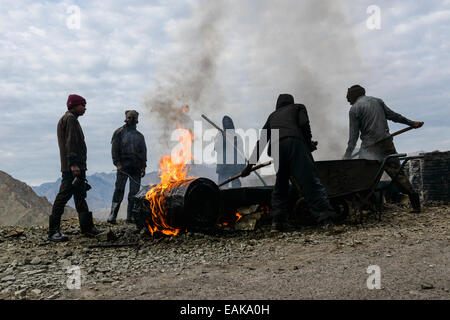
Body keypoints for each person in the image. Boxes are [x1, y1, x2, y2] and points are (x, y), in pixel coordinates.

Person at [241, 94, 337, 232]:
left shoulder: (272, 116)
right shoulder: (298, 107)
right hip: (295, 144)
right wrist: (308, 144)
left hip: (276, 148)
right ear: (291, 102)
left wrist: (249, 167)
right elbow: (304, 125)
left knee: (281, 185)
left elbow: (261, 141)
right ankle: (327, 220)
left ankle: (277, 223)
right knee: (309, 182)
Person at [343, 85, 424, 212]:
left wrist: (347, 155)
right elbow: (394, 116)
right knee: (397, 173)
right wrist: (411, 123)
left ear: (354, 95)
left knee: (362, 176)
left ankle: (367, 206)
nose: (347, 99)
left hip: (370, 148)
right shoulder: (377, 101)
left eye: (348, 96)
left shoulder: (354, 109)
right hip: (386, 143)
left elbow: (353, 137)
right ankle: (415, 203)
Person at [48, 94, 102, 242]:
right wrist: (73, 164)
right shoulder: (70, 119)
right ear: (74, 106)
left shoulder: (69, 119)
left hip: (75, 166)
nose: (85, 108)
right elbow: (70, 143)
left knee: (80, 195)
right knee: (63, 196)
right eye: (82, 105)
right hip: (72, 168)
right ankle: (53, 231)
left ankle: (87, 228)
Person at [108, 110, 147, 224]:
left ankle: (131, 217)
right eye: (129, 117)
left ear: (137, 120)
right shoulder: (119, 133)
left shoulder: (140, 136)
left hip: (136, 168)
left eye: (133, 118)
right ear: (126, 118)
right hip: (123, 168)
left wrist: (143, 166)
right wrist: (117, 164)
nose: (131, 120)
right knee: (119, 190)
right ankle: (112, 215)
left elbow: (143, 152)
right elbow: (114, 150)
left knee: (134, 193)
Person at [214, 116, 246, 188]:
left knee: (236, 188)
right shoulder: (219, 136)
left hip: (234, 167)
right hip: (223, 167)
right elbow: (217, 148)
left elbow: (241, 152)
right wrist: (223, 139)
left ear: (232, 124)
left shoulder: (237, 136)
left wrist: (243, 165)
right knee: (222, 187)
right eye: (225, 123)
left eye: (229, 122)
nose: (227, 124)